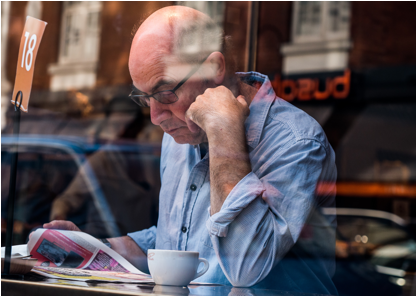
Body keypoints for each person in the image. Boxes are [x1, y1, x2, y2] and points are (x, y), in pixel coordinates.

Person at [42, 6, 337, 294]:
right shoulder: (180, 137)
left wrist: (224, 132)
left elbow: (246, 267)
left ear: (215, 68)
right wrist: (96, 248)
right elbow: (176, 243)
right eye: (145, 98)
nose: (155, 116)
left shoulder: (297, 142)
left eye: (165, 91)